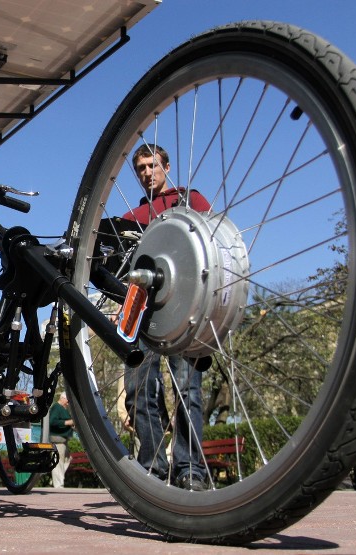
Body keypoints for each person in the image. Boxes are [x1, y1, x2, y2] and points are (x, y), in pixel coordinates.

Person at [121, 144, 211, 491]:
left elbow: (210, 243)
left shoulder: (190, 201)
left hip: (185, 305)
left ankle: (190, 469)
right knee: (138, 390)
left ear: (167, 166)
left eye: (152, 165)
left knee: (187, 388)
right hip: (140, 309)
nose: (146, 172)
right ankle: (153, 467)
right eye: (140, 168)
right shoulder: (130, 218)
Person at [49, 391, 74, 488]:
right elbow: (52, 421)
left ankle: (57, 479)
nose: (68, 402)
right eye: (68, 400)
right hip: (57, 439)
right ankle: (58, 483)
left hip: (63, 439)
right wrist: (67, 422)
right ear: (62, 398)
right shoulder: (56, 407)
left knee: (67, 459)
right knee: (58, 461)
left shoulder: (63, 408)